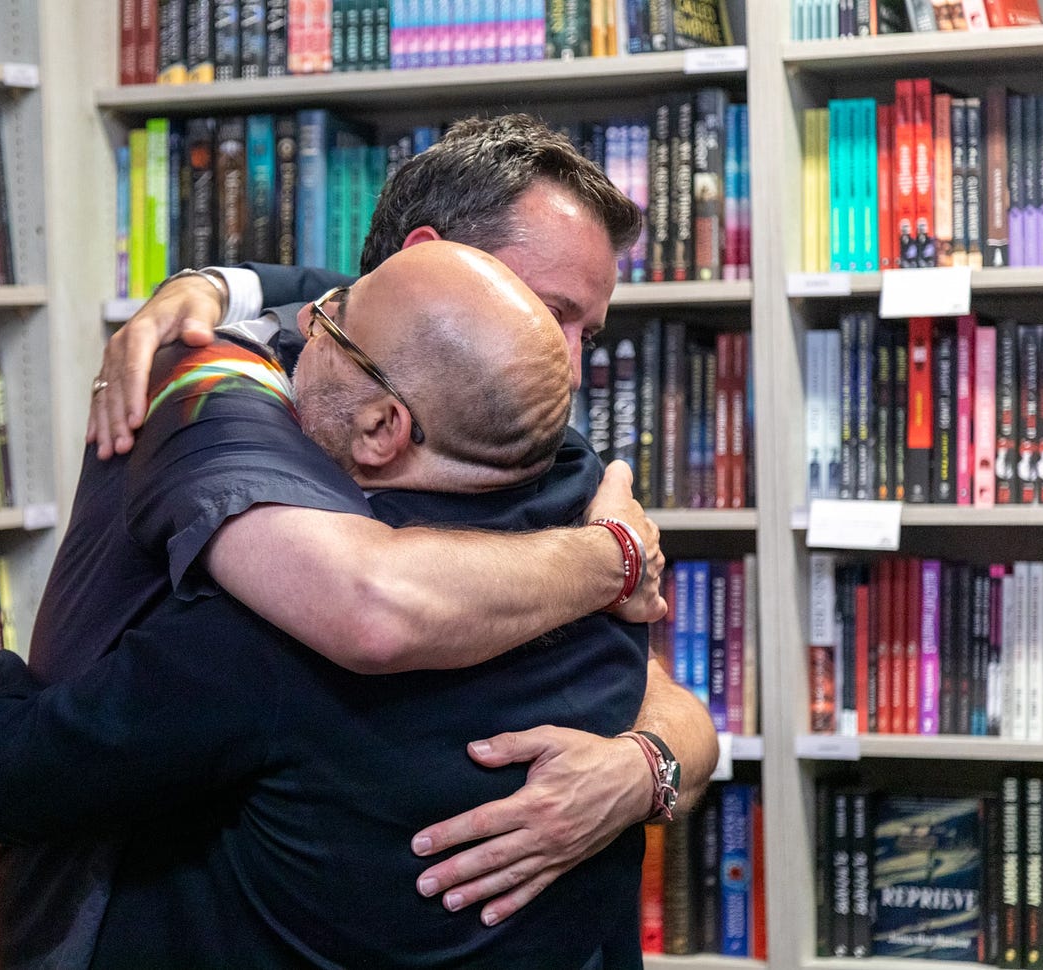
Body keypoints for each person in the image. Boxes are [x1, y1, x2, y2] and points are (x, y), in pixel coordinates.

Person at [0, 242, 658, 968]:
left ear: (382, 428)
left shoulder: (277, 632)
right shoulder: (607, 550)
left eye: (332, 324)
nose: (303, 326)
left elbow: (2, 780)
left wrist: (4, 673)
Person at [85, 113, 718, 918]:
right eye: (546, 308)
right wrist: (614, 556)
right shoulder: (232, 405)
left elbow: (663, 695)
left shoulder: (554, 456)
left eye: (584, 333)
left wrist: (641, 768)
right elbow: (372, 606)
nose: (566, 367)